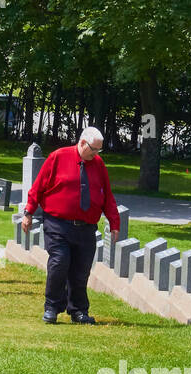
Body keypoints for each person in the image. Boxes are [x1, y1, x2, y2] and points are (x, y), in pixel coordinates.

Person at [22, 127, 119, 324]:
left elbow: (107, 195)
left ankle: (78, 311)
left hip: (86, 228)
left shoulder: (98, 164)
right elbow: (38, 187)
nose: (96, 154)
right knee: (60, 262)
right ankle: (52, 307)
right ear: (82, 143)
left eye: (99, 150)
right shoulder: (58, 157)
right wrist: (28, 212)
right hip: (58, 224)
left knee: (81, 270)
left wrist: (114, 222)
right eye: (94, 149)